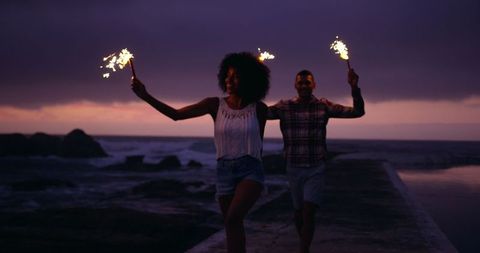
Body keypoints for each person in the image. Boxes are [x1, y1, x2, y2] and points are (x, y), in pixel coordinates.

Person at [131, 52, 270, 253]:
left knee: (233, 218)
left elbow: (271, 134)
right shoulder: (214, 104)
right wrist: (145, 96)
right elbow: (176, 115)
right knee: (231, 225)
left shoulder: (259, 109)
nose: (228, 80)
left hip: (251, 170)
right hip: (224, 171)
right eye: (227, 76)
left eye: (236, 76)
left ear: (248, 79)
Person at [267, 68, 365, 253]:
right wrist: (253, 86)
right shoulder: (284, 107)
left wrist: (354, 87)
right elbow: (259, 113)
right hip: (293, 167)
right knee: (298, 212)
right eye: (301, 82)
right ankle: (305, 245)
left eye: (308, 82)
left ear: (314, 85)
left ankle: (303, 250)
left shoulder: (323, 106)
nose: (304, 85)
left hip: (315, 168)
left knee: (309, 211)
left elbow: (358, 112)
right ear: (295, 85)